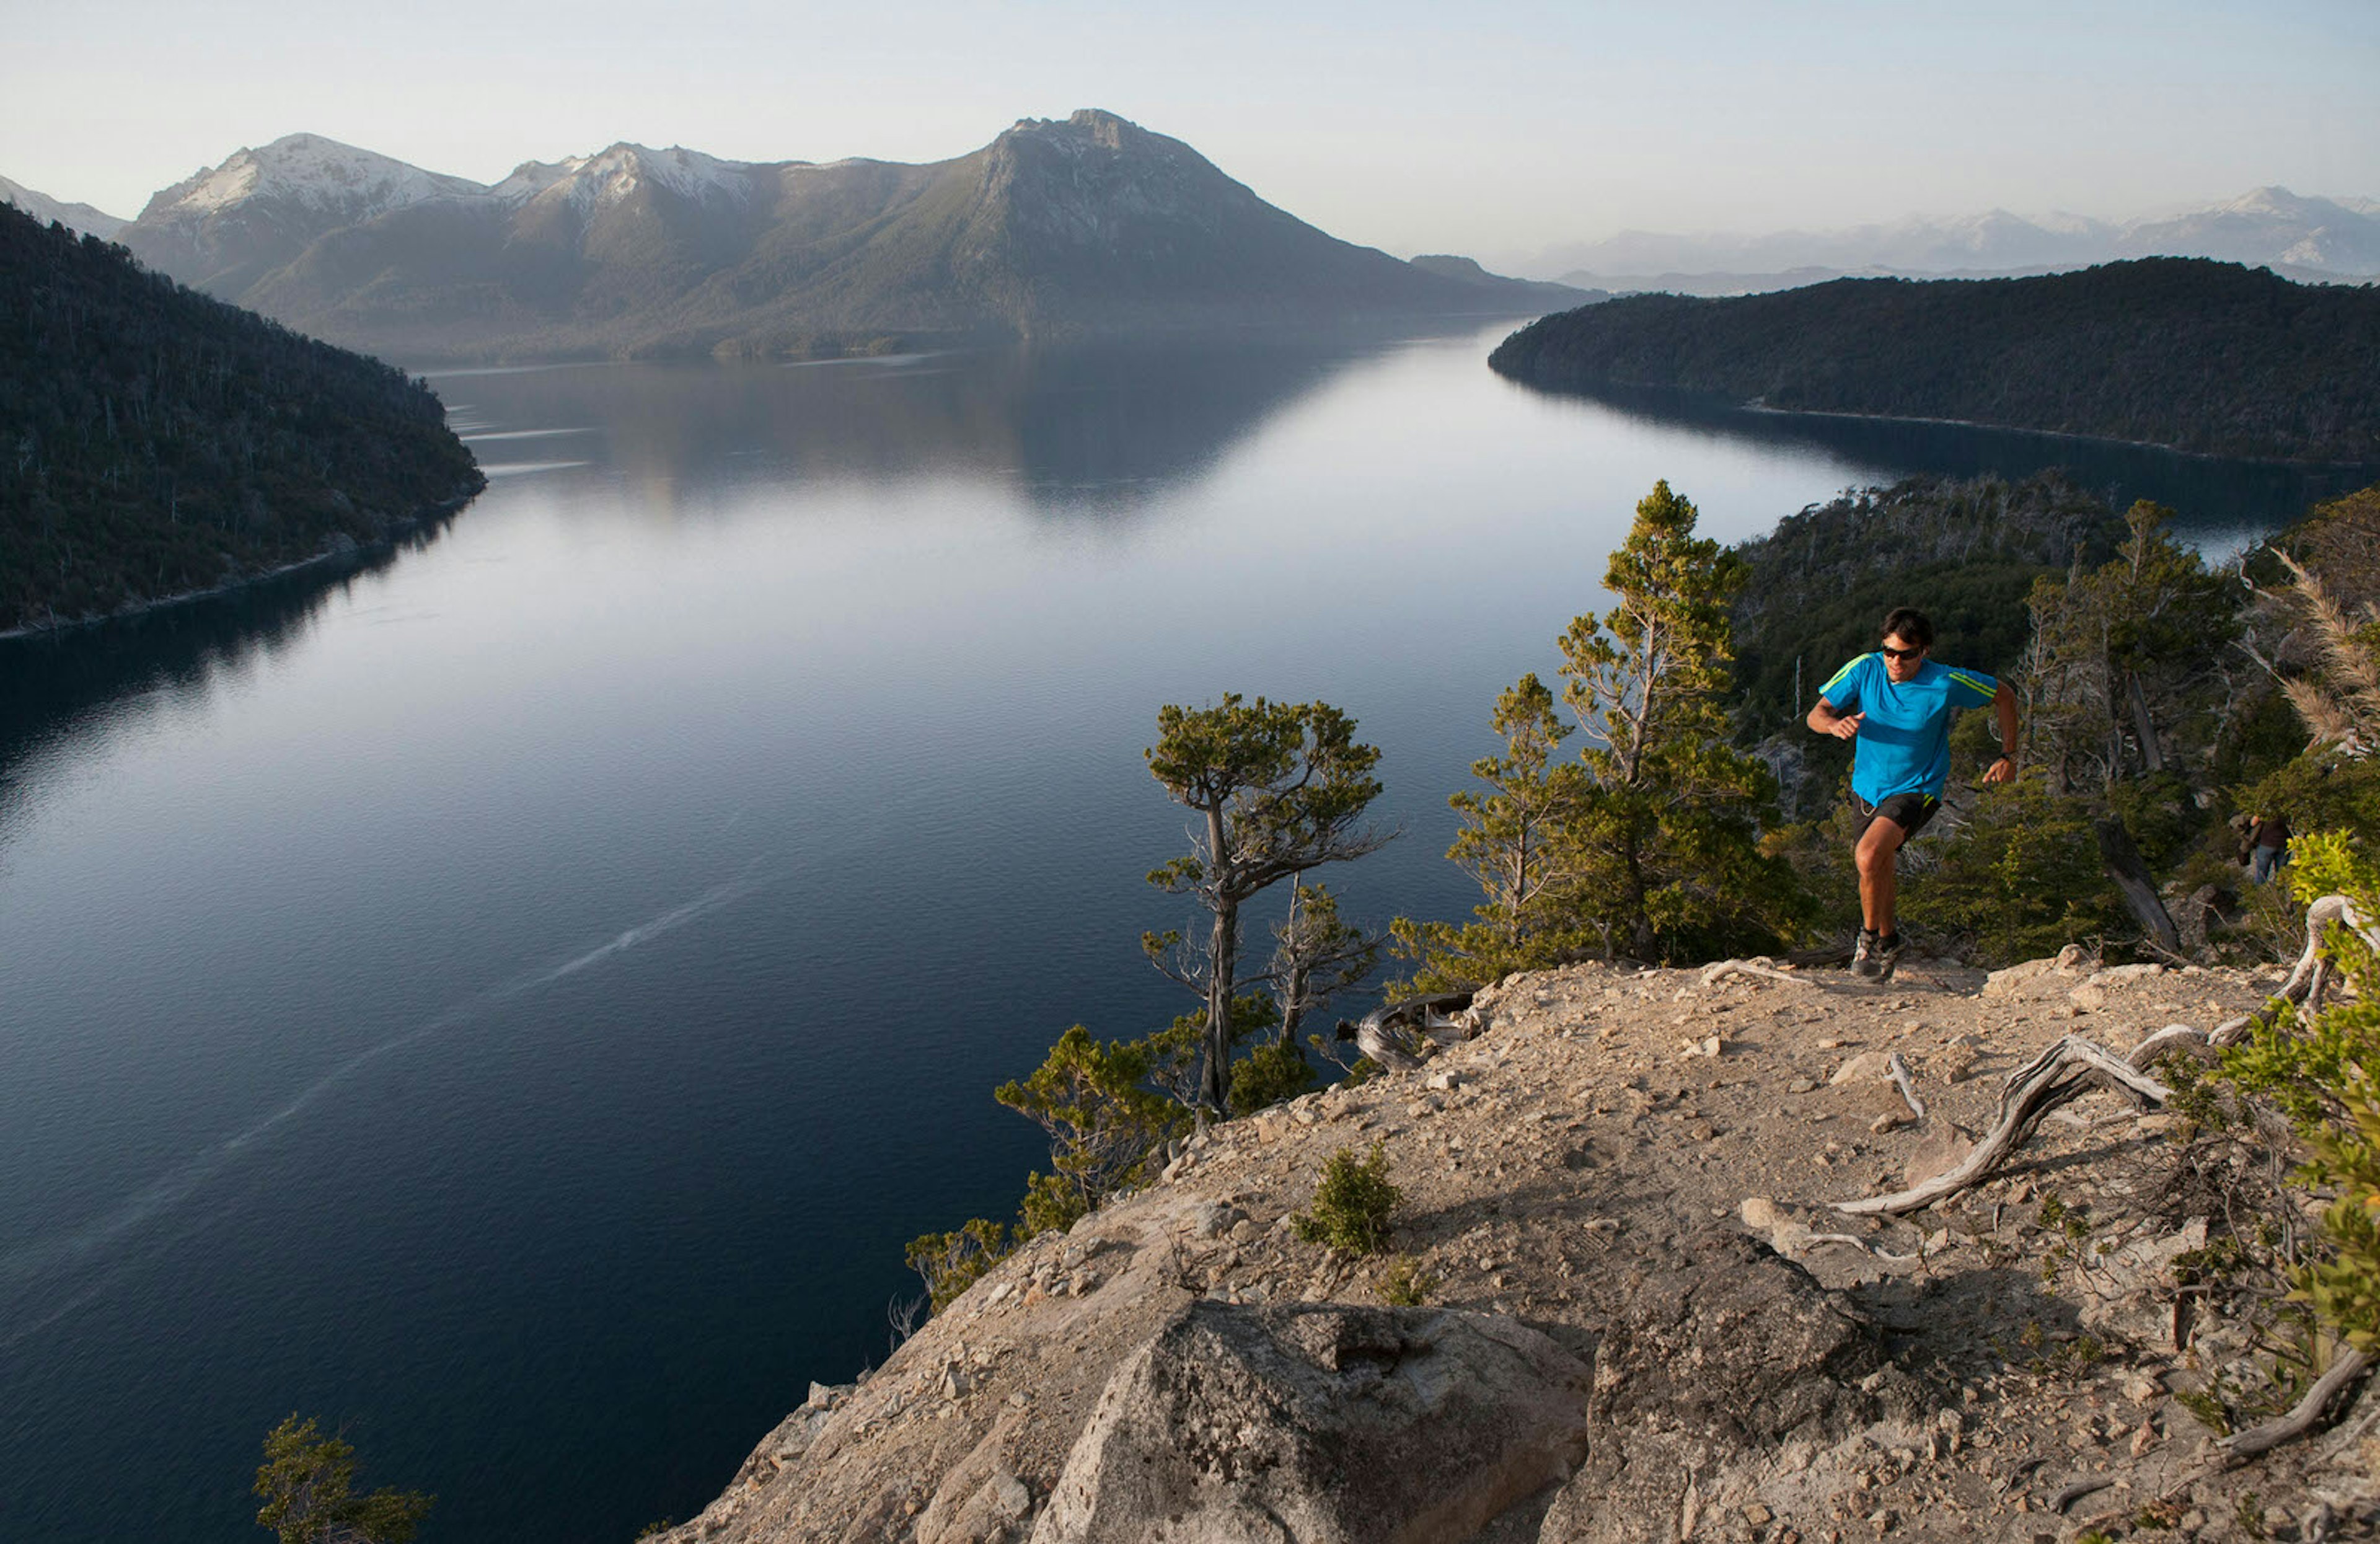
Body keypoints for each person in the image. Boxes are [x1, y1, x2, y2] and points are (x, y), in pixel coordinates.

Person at [1806, 607, 2020, 979]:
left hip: (1917, 788)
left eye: (1906, 654)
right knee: (1878, 866)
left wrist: (2008, 755)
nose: (1896, 661)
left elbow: (2005, 696)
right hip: (1867, 788)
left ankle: (1868, 941)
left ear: (1925, 651)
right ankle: (1891, 942)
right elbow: (1816, 713)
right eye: (1889, 651)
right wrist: (1833, 725)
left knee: (1869, 855)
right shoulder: (1865, 668)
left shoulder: (1945, 681)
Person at [2247, 810, 2291, 884]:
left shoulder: (2265, 807)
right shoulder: (2286, 806)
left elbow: (2253, 823)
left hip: (2266, 843)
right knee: (2281, 874)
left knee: (2262, 873)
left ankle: (2259, 893)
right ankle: (2279, 893)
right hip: (2284, 842)